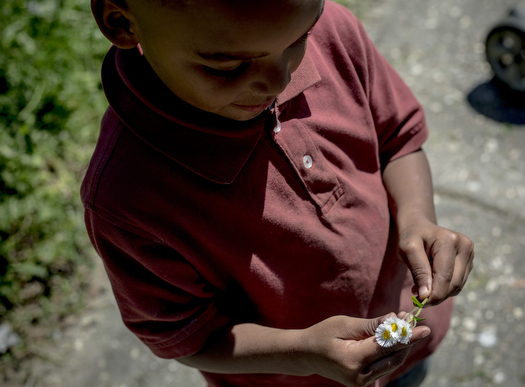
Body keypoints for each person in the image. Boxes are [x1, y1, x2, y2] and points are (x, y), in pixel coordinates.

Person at [82, 0, 474, 386]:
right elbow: (186, 337)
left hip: (404, 333)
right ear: (120, 21)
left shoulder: (331, 33)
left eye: (297, 41)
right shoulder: (128, 198)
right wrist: (303, 352)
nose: (278, 81)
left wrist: (418, 217)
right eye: (228, 65)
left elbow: (398, 139)